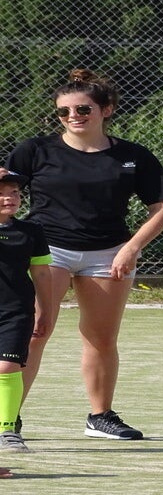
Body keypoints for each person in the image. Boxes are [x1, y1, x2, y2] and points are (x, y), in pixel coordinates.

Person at [4, 68, 163, 440]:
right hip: (48, 251)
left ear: (106, 110)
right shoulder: (35, 150)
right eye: (64, 111)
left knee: (101, 338)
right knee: (34, 333)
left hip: (109, 253)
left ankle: (100, 418)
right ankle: (8, 420)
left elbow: (162, 208)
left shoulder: (132, 156)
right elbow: (4, 190)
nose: (73, 117)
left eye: (83, 109)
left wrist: (131, 248)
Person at [0, 172, 55, 454]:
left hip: (16, 311)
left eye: (14, 193)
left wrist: (45, 311)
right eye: (1, 193)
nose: (8, 198)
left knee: (7, 367)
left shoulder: (31, 231)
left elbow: (42, 273)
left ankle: (7, 430)